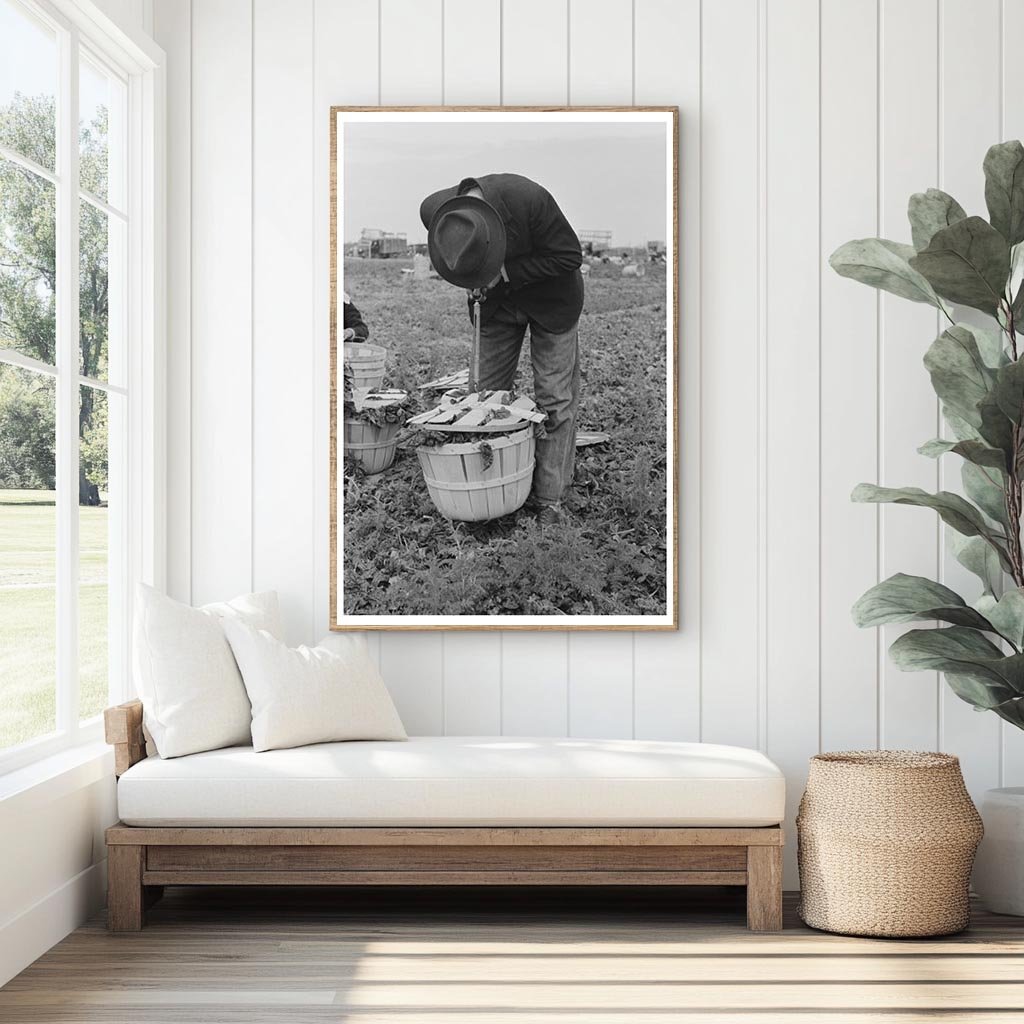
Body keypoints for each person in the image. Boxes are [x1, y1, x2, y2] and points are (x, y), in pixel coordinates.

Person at [420, 173, 583, 526]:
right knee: (482, 398)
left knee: (554, 399)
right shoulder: (437, 212)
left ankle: (548, 498)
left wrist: (506, 272)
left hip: (551, 301)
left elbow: (570, 256)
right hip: (495, 304)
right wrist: (475, 279)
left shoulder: (530, 200)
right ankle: (489, 486)